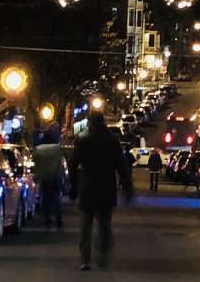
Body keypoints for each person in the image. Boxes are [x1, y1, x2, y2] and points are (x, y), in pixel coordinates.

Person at [70, 112, 134, 271]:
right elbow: (121, 165)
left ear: (90, 123)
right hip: (106, 187)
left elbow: (73, 164)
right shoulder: (112, 140)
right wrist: (127, 186)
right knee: (105, 224)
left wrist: (73, 185)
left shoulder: (82, 139)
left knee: (85, 226)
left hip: (87, 187)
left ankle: (85, 259)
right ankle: (103, 254)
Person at [33, 124, 65, 229]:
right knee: (56, 199)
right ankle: (58, 219)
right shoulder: (57, 149)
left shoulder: (38, 149)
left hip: (44, 177)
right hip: (55, 176)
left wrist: (36, 177)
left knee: (46, 198)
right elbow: (60, 163)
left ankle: (47, 218)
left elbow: (36, 164)